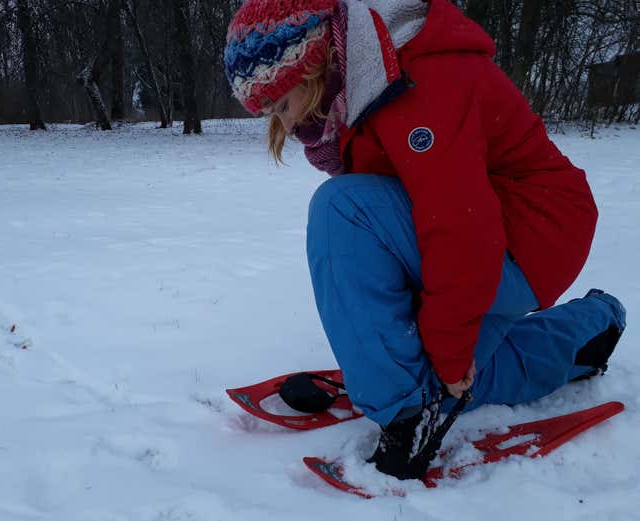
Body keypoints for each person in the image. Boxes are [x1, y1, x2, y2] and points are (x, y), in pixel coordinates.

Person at [223, 0, 626, 480]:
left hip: (533, 231)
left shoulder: (417, 82)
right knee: (447, 378)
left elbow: (460, 227)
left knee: (340, 209)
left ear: (312, 64)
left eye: (283, 106)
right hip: (505, 234)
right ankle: (587, 333)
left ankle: (407, 417)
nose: (286, 126)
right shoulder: (362, 86)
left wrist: (449, 354)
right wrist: (447, 359)